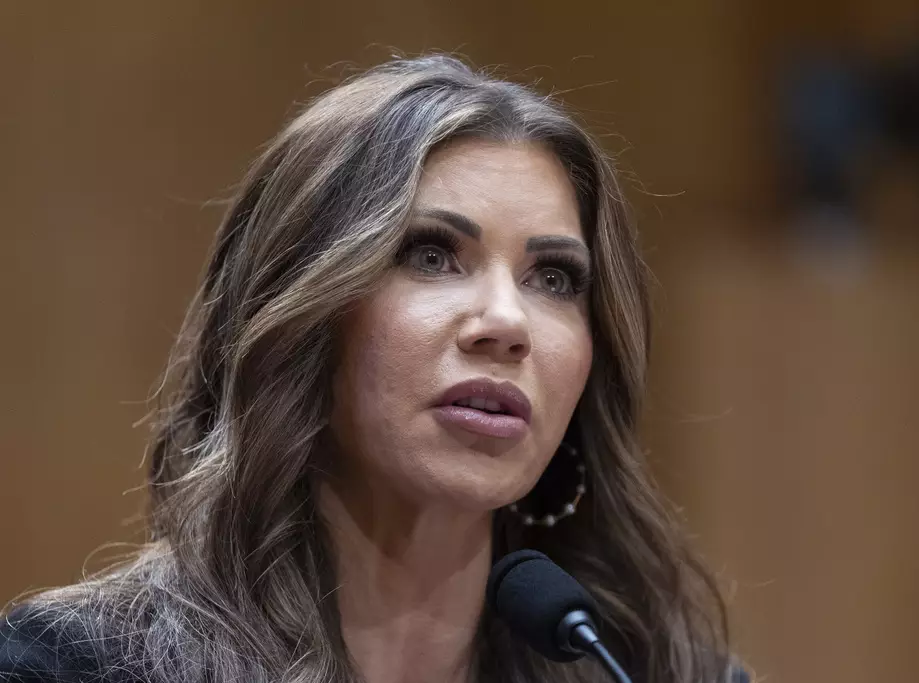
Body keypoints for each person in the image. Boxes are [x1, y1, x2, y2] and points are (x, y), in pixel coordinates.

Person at [0, 56, 743, 683]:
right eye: (431, 255)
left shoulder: (658, 673)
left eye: (553, 278)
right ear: (300, 314)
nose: (508, 323)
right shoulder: (70, 667)